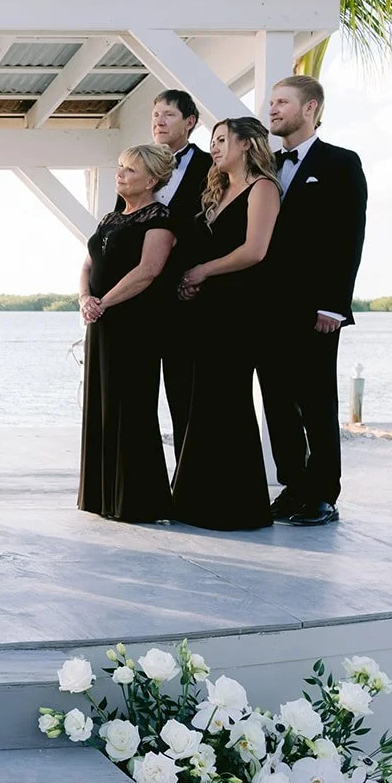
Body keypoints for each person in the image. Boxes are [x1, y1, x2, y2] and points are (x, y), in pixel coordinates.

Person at [259, 76, 368, 527]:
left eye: (282, 102)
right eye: (271, 103)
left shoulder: (341, 163)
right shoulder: (264, 165)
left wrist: (334, 305)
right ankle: (294, 487)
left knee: (317, 403)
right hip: (265, 308)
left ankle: (323, 493)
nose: (273, 110)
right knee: (277, 403)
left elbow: (349, 237)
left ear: (311, 108)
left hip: (314, 311)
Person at [169, 117, 280, 531]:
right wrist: (191, 281)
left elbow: (255, 250)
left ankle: (238, 508)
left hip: (242, 311)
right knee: (203, 403)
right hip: (207, 311)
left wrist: (202, 272)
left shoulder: (263, 188)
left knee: (228, 401)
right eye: (211, 141)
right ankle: (198, 502)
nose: (213, 148)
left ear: (247, 144)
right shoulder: (216, 190)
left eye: (220, 140)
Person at [78, 145, 178, 522]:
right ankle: (102, 497)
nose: (120, 175)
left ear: (151, 179)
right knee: (102, 405)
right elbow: (88, 262)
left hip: (135, 326)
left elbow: (148, 271)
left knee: (131, 408)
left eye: (130, 171)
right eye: (120, 167)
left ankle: (137, 501)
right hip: (101, 323)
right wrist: (85, 297)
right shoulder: (110, 218)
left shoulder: (160, 220)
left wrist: (104, 302)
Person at [143, 90, 211, 454]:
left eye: (168, 114)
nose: (159, 120)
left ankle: (188, 481)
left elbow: (213, 228)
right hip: (140, 296)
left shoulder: (210, 166)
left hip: (186, 295)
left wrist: (198, 276)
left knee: (183, 391)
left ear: (190, 122)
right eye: (155, 114)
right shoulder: (137, 165)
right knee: (138, 393)